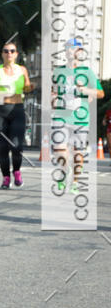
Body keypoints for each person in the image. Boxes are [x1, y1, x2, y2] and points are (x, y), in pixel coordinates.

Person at [50, 38, 104, 193]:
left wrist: (86, 91)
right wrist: (53, 97)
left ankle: (75, 180)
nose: (69, 50)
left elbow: (101, 93)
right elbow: (53, 90)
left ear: (80, 52)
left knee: (77, 152)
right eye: (67, 47)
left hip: (80, 118)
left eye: (73, 48)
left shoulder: (87, 72)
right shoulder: (58, 71)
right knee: (59, 150)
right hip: (60, 115)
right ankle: (65, 170)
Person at [0, 43, 33, 189]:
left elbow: (27, 86)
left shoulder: (22, 70)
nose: (9, 53)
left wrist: (30, 87)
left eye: (12, 51)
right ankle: (6, 177)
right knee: (3, 147)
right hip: (1, 112)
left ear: (16, 54)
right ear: (2, 54)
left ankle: (17, 171)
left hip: (18, 110)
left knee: (17, 145)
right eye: (6, 51)